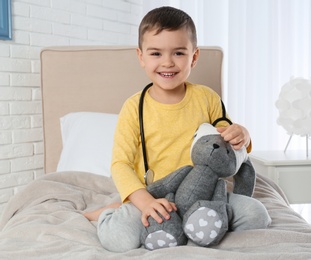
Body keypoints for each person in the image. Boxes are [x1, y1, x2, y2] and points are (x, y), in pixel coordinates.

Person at [84, 6, 271, 252]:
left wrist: (242, 135)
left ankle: (191, 228)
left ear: (194, 56)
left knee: (256, 215)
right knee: (120, 238)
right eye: (156, 53)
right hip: (156, 196)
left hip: (203, 193)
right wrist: (145, 202)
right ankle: (109, 212)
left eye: (179, 53)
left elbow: (226, 137)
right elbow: (120, 164)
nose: (167, 62)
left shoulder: (207, 98)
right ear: (141, 57)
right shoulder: (133, 107)